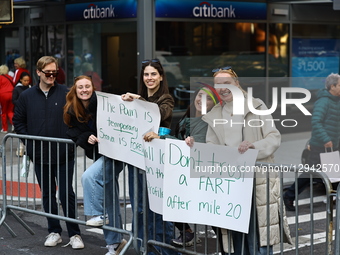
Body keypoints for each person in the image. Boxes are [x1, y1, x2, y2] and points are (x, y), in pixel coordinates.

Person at [202, 67, 292, 254]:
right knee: (235, 238)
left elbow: (274, 137)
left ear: (236, 83)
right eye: (218, 84)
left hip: (257, 181)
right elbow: (211, 145)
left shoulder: (257, 106)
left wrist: (254, 147)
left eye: (227, 83)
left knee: (259, 236)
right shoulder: (215, 114)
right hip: (229, 184)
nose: (222, 88)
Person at [13, 56, 84, 249]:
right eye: (48, 73)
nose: (52, 76)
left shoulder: (66, 92)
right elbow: (18, 121)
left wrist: (71, 139)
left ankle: (75, 233)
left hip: (63, 154)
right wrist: (30, 141)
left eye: (55, 72)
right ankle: (54, 231)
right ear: (38, 73)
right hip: (39, 154)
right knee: (47, 194)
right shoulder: (26, 96)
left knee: (66, 194)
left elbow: (79, 118)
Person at [143, 84, 221, 247]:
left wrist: (163, 139)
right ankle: (188, 233)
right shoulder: (188, 117)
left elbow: (193, 145)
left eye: (207, 98)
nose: (201, 100)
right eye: (200, 95)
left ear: (213, 104)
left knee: (209, 212)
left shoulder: (210, 122)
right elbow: (180, 141)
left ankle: (226, 244)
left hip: (202, 172)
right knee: (173, 202)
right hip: (185, 170)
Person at [63, 75, 127, 255]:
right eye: (80, 87)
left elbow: (120, 112)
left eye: (87, 86)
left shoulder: (103, 102)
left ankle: (97, 214)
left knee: (89, 177)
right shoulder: (72, 109)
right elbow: (73, 133)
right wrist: (86, 137)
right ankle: (114, 243)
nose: (84, 90)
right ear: (75, 90)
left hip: (117, 153)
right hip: (100, 155)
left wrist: (126, 98)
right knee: (110, 199)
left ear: (93, 88)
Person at [121, 58, 176, 255]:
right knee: (140, 207)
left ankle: (164, 250)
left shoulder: (166, 99)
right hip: (137, 160)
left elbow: (159, 115)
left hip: (158, 163)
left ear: (161, 77)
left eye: (153, 74)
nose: (149, 78)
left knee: (159, 209)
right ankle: (145, 248)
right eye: (146, 74)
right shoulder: (138, 100)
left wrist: (138, 101)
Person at [283, 73, 340, 211]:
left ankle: (334, 197)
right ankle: (289, 196)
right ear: (332, 86)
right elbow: (316, 122)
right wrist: (326, 139)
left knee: (335, 172)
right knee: (310, 173)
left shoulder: (336, 100)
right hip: (321, 146)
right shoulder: (324, 101)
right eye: (339, 85)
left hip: (334, 145)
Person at [12, 71, 31, 156]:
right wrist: (22, 104)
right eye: (25, 80)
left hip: (29, 112)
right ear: (20, 80)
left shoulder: (30, 88)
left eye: (28, 80)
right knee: (21, 131)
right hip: (20, 112)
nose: (26, 82)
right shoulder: (17, 88)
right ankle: (20, 149)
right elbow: (14, 100)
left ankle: (26, 149)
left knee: (28, 131)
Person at [0, 64, 15, 133]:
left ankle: (5, 128)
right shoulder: (10, 77)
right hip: (12, 94)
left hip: (3, 95)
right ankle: (14, 124)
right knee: (10, 111)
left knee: (3, 112)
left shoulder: (0, 77)